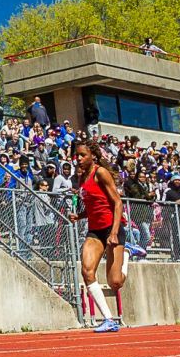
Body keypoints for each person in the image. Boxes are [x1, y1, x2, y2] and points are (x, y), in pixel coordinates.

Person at [72, 139, 125, 333]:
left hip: (113, 227)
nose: (78, 159)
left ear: (92, 156)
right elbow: (94, 206)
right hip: (95, 230)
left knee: (115, 282)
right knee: (87, 271)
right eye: (76, 155)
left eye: (82, 155)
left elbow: (117, 203)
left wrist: (113, 233)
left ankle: (127, 254)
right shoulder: (81, 178)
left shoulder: (100, 173)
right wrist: (80, 215)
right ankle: (109, 319)